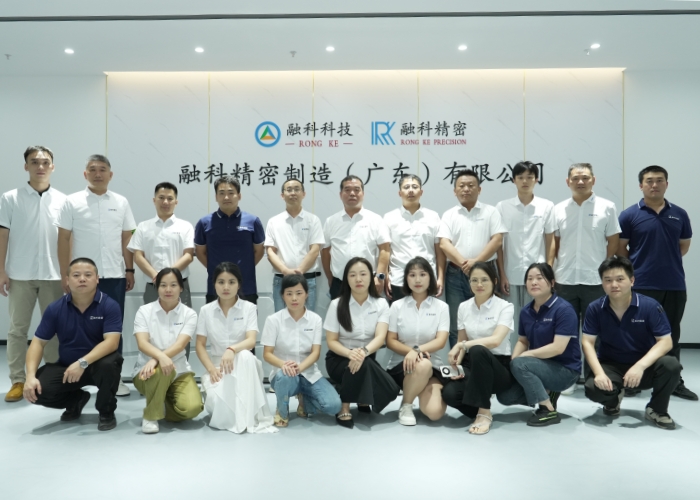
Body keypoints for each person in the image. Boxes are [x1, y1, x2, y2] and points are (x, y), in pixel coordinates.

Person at [57, 153, 136, 396]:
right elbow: (63, 238)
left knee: (113, 329)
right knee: (79, 327)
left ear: (110, 175)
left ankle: (114, 379)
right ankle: (79, 378)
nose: (97, 174)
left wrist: (129, 269)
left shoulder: (121, 202)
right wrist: (65, 274)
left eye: (102, 169)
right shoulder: (72, 201)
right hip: (82, 277)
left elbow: (127, 237)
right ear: (85, 174)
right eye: (92, 169)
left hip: (113, 274)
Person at [617, 165, 696, 401]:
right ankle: (634, 380)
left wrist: (664, 261)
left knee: (671, 334)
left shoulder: (679, 214)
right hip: (640, 284)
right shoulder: (629, 215)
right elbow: (621, 249)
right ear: (641, 185)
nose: (654, 185)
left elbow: (683, 246)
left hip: (673, 284)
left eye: (659, 180)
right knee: (637, 333)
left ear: (666, 184)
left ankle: (674, 381)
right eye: (649, 181)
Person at [23, 258, 123, 431]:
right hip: (67, 367)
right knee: (37, 390)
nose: (82, 279)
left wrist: (82, 363)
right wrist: (29, 377)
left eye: (88, 275)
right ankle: (76, 400)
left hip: (98, 365)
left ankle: (106, 411)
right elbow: (38, 342)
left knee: (109, 365)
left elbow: (112, 343)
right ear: (67, 280)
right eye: (76, 275)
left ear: (97, 279)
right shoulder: (55, 308)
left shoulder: (109, 305)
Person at [583, 257, 681, 429]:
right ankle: (613, 400)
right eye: (608, 280)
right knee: (593, 388)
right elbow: (587, 342)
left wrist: (640, 366)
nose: (614, 285)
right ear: (602, 283)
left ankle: (657, 409)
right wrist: (599, 374)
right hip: (611, 364)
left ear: (632, 280)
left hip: (644, 366)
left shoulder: (650, 306)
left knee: (671, 365)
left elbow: (666, 342)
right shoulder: (595, 308)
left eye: (620, 279)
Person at [0, 146, 66, 402]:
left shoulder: (63, 200)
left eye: (45, 162)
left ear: (53, 166)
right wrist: (1, 270)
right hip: (20, 273)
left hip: (53, 274)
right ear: (26, 166)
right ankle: (17, 380)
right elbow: (3, 235)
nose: (40, 166)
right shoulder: (10, 198)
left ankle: (52, 378)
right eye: (34, 162)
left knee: (54, 330)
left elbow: (67, 239)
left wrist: (67, 273)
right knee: (18, 329)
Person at [552, 163, 620, 392]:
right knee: (566, 331)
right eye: (575, 178)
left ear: (593, 180)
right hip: (565, 279)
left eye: (585, 177)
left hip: (594, 280)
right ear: (568, 181)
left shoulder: (607, 207)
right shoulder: (559, 209)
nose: (580, 182)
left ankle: (593, 377)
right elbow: (555, 243)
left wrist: (606, 272)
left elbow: (613, 240)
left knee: (596, 332)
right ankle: (567, 378)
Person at [195, 262, 276, 434]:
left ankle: (248, 418)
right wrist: (211, 370)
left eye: (231, 282)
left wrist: (231, 349)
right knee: (217, 408)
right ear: (214, 284)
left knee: (246, 355)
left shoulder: (249, 308)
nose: (226, 287)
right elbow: (200, 345)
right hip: (217, 368)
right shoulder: (206, 310)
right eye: (221, 282)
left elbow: (251, 340)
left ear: (238, 284)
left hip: (244, 365)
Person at [497, 263, 581, 426]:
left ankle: (547, 410)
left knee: (521, 364)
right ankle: (548, 392)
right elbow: (522, 341)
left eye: (539, 278)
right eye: (529, 279)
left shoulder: (564, 309)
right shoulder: (526, 311)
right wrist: (513, 361)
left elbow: (558, 348)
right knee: (505, 396)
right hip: (540, 367)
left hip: (565, 370)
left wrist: (524, 357)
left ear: (552, 283)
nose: (534, 282)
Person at [324, 257, 400, 429]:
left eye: (363, 274)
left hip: (367, 357)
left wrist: (362, 352)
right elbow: (331, 341)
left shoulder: (381, 304)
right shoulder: (337, 304)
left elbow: (380, 337)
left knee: (392, 389)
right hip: (338, 358)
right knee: (361, 363)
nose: (358, 279)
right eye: (352, 275)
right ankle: (344, 406)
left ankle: (361, 395)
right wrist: (351, 353)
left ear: (371, 277)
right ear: (346, 279)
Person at [443, 262, 515, 435]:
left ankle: (484, 412)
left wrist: (463, 345)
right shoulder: (464, 307)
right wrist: (457, 366)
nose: (479, 284)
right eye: (474, 280)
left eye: (484, 280)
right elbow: (462, 340)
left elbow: (496, 341)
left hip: (498, 367)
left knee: (477, 349)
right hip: (473, 365)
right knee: (450, 394)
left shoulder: (505, 307)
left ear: (494, 281)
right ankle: (478, 410)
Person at [261, 274, 341, 427]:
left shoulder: (315, 319)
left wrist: (300, 368)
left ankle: (304, 399)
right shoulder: (273, 320)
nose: (294, 298)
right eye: (289, 293)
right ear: (282, 295)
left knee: (334, 406)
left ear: (306, 294)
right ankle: (282, 413)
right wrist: (284, 365)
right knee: (285, 376)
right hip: (283, 374)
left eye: (299, 293)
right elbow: (267, 354)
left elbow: (315, 353)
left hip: (309, 373)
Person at [439, 169, 507, 347]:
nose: (466, 189)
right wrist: (465, 264)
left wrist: (475, 263)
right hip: (456, 274)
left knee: (489, 321)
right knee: (457, 323)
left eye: (471, 185)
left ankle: (486, 360)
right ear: (455, 191)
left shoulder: (491, 212)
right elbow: (444, 244)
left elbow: (497, 240)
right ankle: (459, 362)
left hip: (486, 273)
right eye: (461, 186)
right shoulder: (449, 215)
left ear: (479, 189)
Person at [132, 268, 203, 434]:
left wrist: (156, 358)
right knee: (160, 371)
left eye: (173, 285)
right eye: (163, 285)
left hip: (179, 371)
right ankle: (151, 415)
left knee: (192, 408)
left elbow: (180, 345)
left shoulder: (189, 314)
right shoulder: (144, 311)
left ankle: (160, 401)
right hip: (147, 372)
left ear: (181, 288)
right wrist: (159, 359)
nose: (168, 289)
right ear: (157, 287)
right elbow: (142, 343)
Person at [128, 182, 195, 356]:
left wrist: (169, 277)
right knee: (152, 328)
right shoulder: (143, 227)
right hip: (153, 285)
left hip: (180, 285)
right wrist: (156, 276)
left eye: (170, 198)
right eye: (161, 198)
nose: (165, 202)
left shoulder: (185, 226)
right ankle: (154, 366)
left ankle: (181, 368)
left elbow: (188, 255)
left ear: (176, 202)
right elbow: (138, 256)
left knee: (182, 328)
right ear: (154, 200)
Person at [385, 257, 450, 426]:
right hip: (401, 365)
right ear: (406, 279)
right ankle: (406, 405)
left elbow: (441, 341)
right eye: (412, 275)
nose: (418, 280)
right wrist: (411, 353)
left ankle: (418, 389)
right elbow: (390, 340)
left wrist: (416, 350)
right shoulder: (397, 306)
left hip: (432, 366)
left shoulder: (441, 307)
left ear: (430, 278)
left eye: (423, 274)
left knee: (435, 413)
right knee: (423, 365)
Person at [495, 160, 555, 342]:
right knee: (511, 320)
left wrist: (548, 272)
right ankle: (514, 357)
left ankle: (535, 357)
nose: (525, 181)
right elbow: (499, 244)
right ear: (513, 180)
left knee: (538, 319)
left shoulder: (546, 206)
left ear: (536, 179)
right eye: (520, 177)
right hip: (510, 273)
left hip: (538, 275)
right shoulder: (503, 207)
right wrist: (502, 274)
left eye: (530, 177)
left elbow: (550, 240)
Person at [195, 176, 265, 304]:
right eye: (221, 193)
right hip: (215, 288)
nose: (226, 197)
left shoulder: (253, 221)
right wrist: (217, 270)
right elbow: (200, 252)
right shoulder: (204, 222)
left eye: (231, 193)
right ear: (216, 197)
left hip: (246, 287)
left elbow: (259, 251)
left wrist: (243, 268)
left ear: (239, 196)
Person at [322, 175, 391, 300]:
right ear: (340, 194)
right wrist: (330, 278)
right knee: (339, 313)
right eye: (347, 190)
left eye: (356, 190)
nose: (352, 193)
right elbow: (325, 251)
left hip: (369, 282)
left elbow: (385, 250)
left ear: (363, 194)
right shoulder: (331, 221)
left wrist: (380, 277)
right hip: (340, 283)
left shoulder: (375, 220)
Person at [265, 178, 324, 312]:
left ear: (304, 194)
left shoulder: (313, 220)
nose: (293, 193)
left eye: (297, 189)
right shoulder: (274, 222)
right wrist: (285, 271)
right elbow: (270, 252)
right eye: (289, 190)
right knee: (280, 320)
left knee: (308, 320)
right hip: (282, 280)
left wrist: (299, 271)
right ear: (282, 195)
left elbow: (315, 250)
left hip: (307, 279)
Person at [383, 174, 445, 302]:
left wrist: (440, 278)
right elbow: (385, 251)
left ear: (421, 192)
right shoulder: (389, 218)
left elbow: (439, 251)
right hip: (398, 279)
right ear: (400, 193)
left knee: (427, 314)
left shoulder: (433, 217)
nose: (410, 190)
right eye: (406, 187)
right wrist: (386, 277)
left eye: (414, 187)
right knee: (399, 314)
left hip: (427, 278)